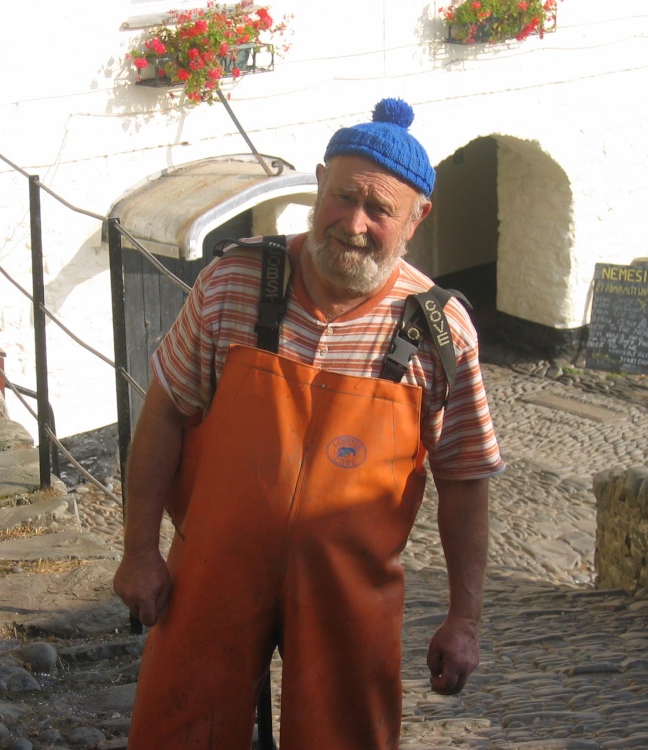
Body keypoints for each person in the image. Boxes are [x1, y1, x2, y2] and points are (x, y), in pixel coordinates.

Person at [112, 97, 505, 749]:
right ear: (318, 185)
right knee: (180, 730)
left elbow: (465, 478)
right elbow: (164, 412)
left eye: (379, 210)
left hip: (348, 596)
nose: (354, 224)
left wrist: (464, 617)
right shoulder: (234, 281)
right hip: (211, 572)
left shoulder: (440, 332)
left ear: (416, 218)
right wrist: (138, 550)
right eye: (343, 197)